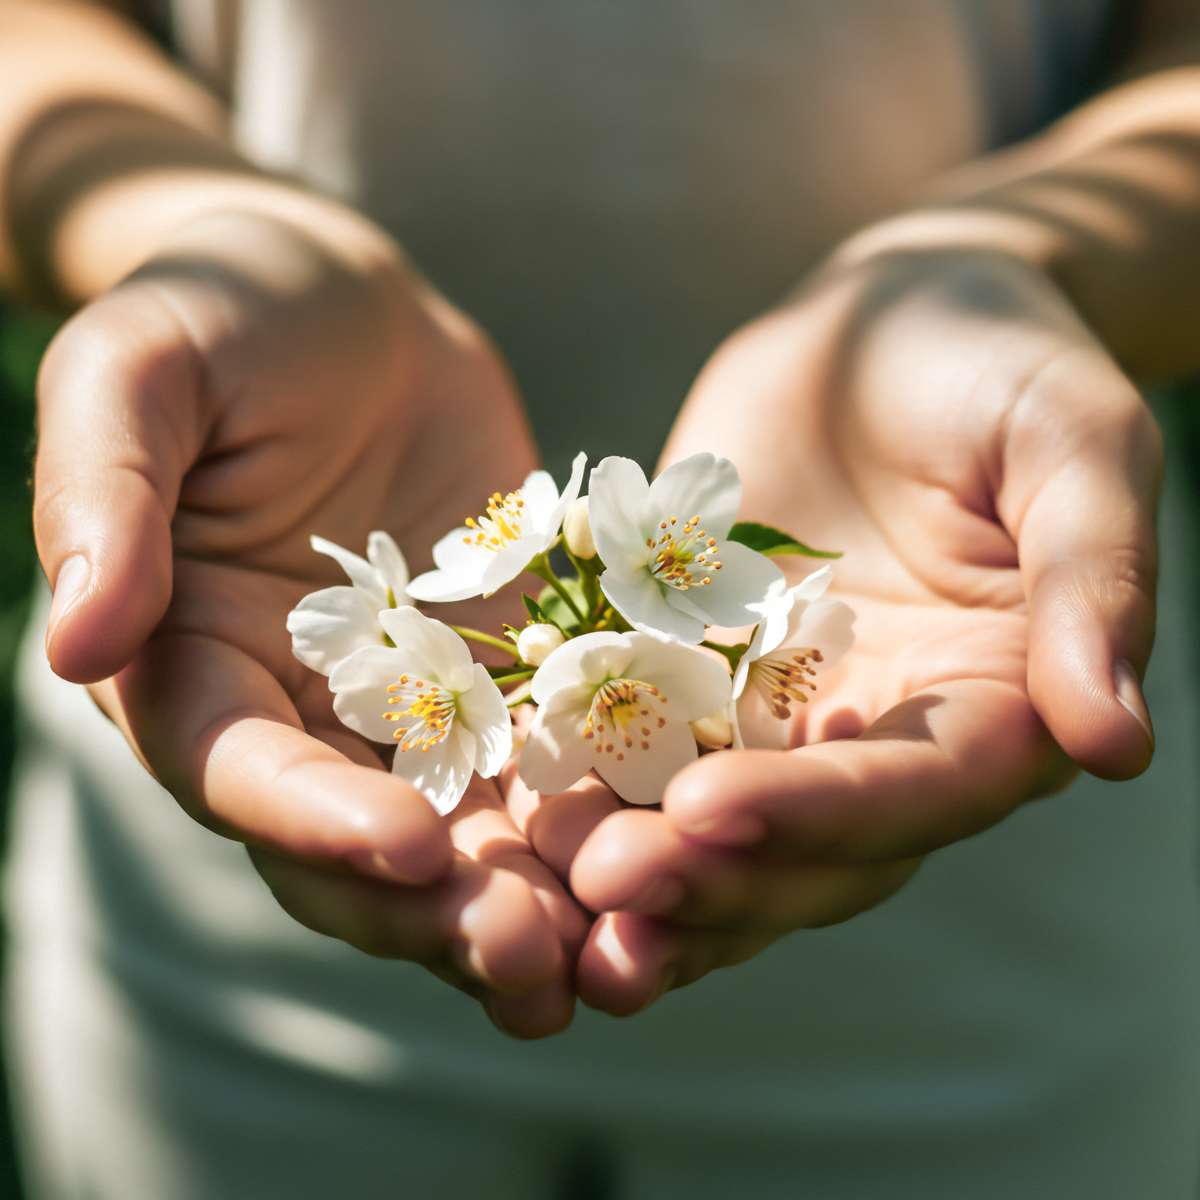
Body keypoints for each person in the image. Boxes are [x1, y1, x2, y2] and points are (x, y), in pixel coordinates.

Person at [1, 0, 1199, 1195]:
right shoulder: (469, 664)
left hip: (993, 949)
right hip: (234, 922)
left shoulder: (725, 636)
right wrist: (202, 227)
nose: (616, 707)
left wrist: (1028, 265)